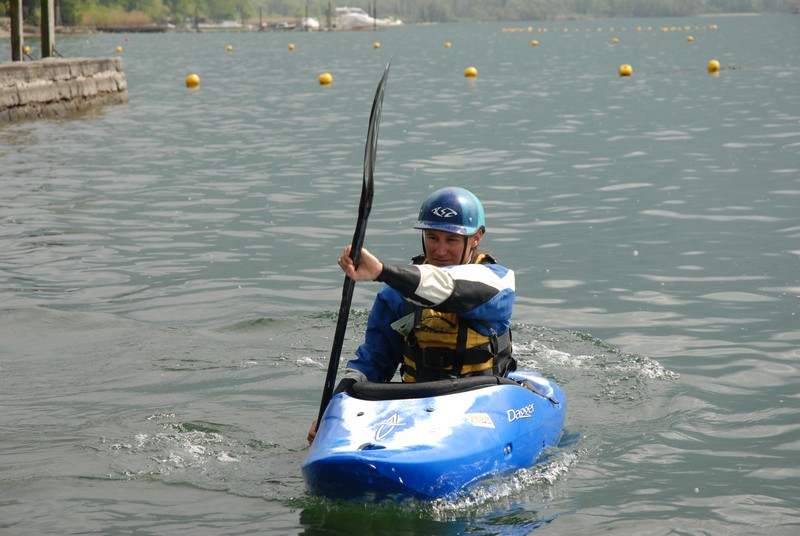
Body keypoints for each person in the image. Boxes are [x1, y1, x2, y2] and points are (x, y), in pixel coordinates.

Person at [307, 187, 516, 444]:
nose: (439, 250)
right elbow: (373, 362)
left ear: (476, 238)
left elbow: (449, 289)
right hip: (417, 401)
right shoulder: (395, 295)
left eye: (451, 239)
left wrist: (382, 271)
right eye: (432, 237)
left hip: (480, 399)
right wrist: (333, 410)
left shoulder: (497, 283)